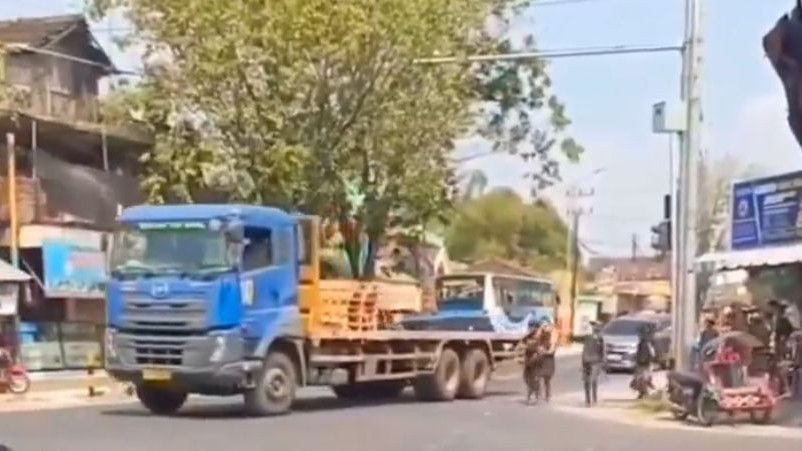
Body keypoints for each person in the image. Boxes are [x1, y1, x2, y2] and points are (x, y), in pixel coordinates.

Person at [524, 317, 558, 404]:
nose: (544, 328)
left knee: (547, 380)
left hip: (548, 361)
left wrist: (543, 351)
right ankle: (535, 395)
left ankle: (547, 395)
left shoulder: (552, 335)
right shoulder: (536, 335)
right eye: (543, 326)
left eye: (546, 325)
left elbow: (552, 350)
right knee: (536, 377)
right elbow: (532, 345)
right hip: (539, 361)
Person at [580, 320, 605, 406]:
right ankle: (588, 400)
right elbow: (584, 350)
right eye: (593, 326)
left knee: (593, 380)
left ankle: (594, 398)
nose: (594, 327)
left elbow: (603, 351)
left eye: (596, 326)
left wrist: (602, 362)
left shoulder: (600, 338)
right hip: (587, 361)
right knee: (587, 381)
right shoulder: (587, 337)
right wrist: (582, 363)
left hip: (596, 362)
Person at [631, 325, 655, 399]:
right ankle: (643, 393)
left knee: (642, 379)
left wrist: (640, 361)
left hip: (643, 364)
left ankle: (644, 393)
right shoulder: (646, 342)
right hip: (645, 363)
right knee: (642, 379)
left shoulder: (644, 343)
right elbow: (651, 354)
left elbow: (646, 354)